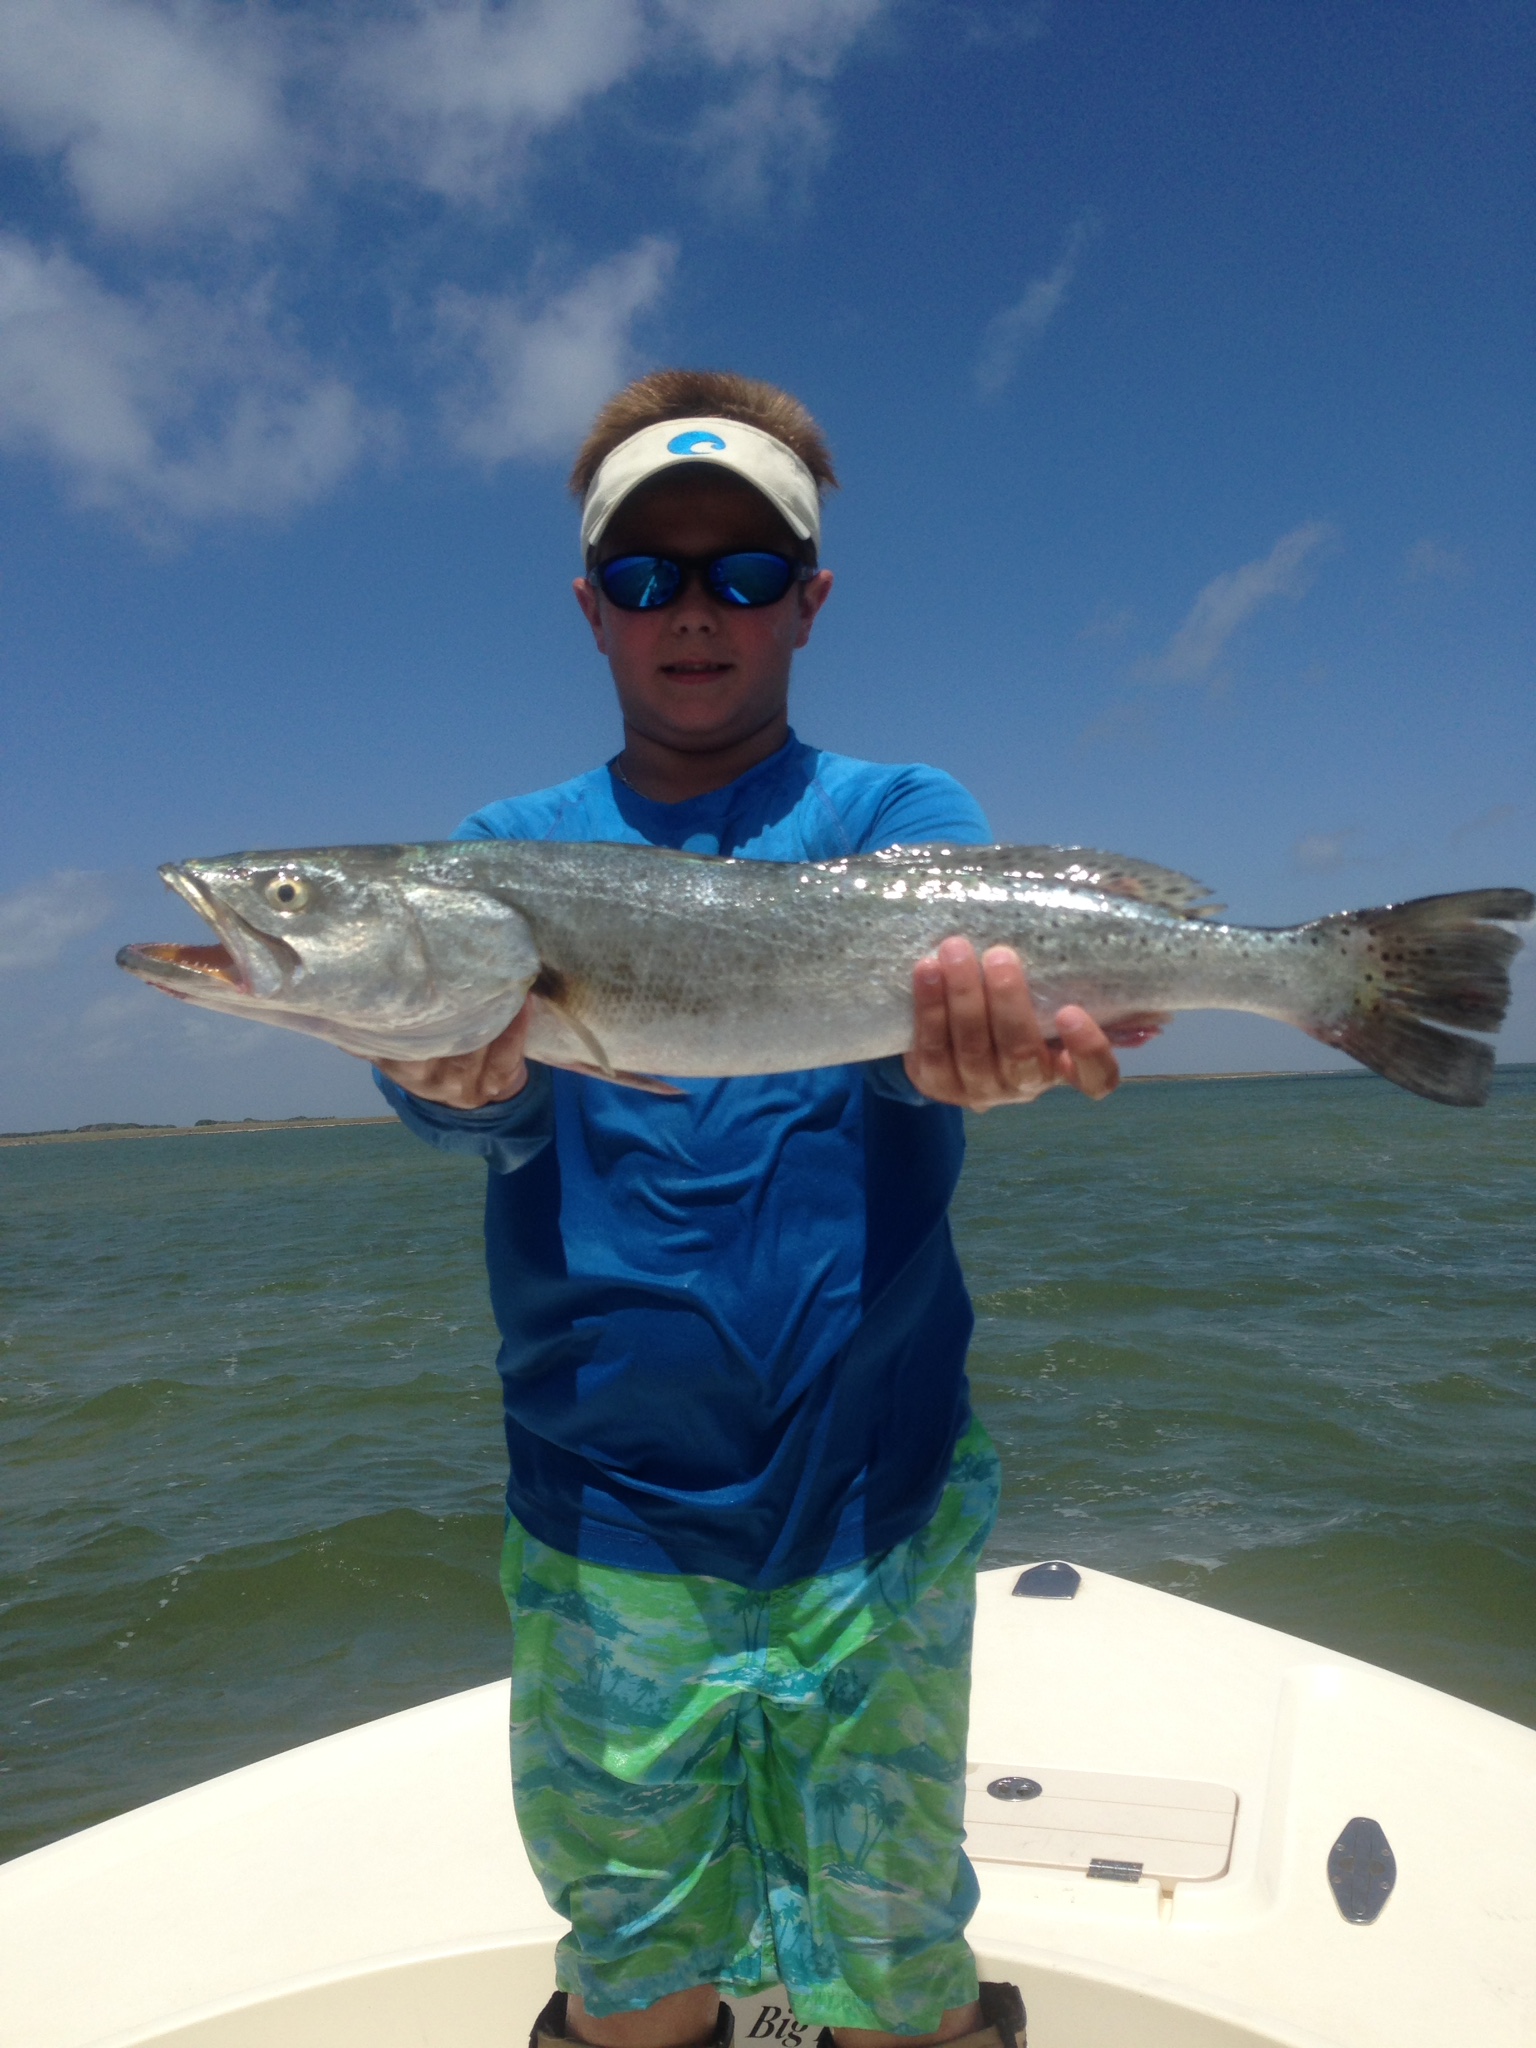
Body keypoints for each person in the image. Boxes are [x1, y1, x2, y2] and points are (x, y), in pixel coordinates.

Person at [372, 370, 1118, 2048]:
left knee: (894, 1946)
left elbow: (917, 1079)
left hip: (874, 1489)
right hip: (607, 1503)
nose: (693, 611)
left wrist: (973, 1066)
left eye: (743, 571)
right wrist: (452, 1088)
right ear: (591, 609)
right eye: (647, 577)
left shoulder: (901, 824)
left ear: (809, 601)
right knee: (632, 1957)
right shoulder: (499, 855)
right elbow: (477, 1109)